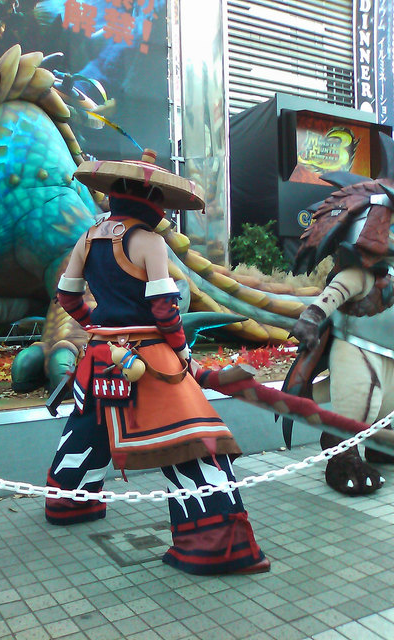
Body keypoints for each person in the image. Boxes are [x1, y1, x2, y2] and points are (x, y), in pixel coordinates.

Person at [44, 149, 269, 575]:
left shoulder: (87, 238)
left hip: (98, 358)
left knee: (86, 428)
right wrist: (183, 354)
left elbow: (67, 297)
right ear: (152, 199)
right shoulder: (150, 242)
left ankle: (69, 502)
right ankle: (214, 546)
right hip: (150, 358)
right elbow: (165, 311)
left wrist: (99, 327)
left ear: (115, 193)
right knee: (194, 442)